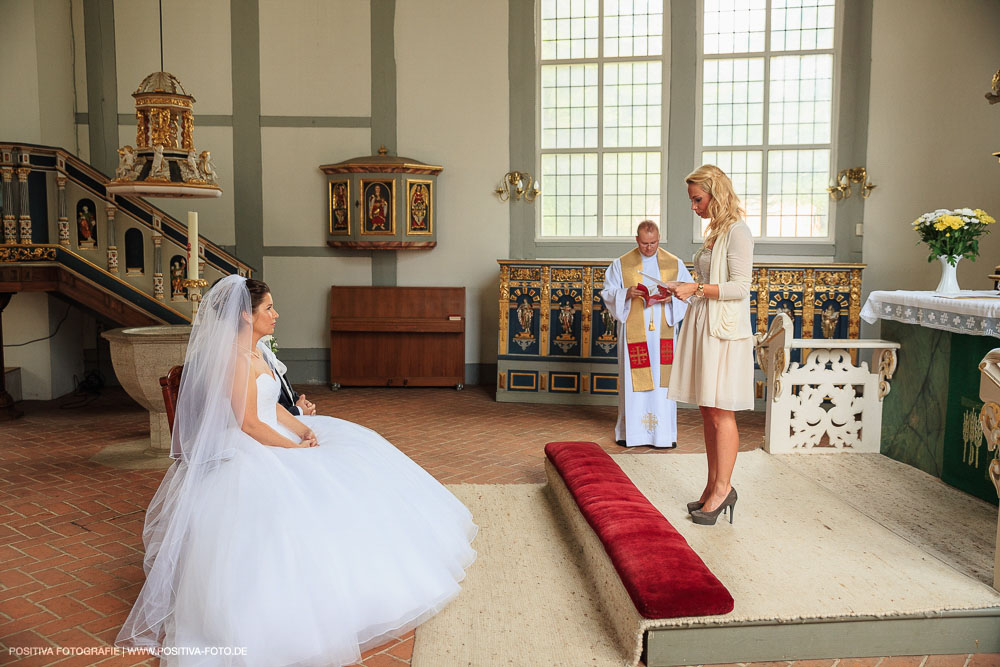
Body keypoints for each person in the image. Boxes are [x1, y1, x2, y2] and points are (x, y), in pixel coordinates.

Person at [116, 276, 477, 666]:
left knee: (359, 463)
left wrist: (304, 428)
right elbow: (249, 424)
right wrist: (294, 449)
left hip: (278, 433)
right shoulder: (233, 360)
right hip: (250, 448)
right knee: (306, 496)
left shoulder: (257, 352)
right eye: (268, 308)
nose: (276, 314)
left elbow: (275, 408)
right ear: (244, 315)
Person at [666, 165, 755, 526]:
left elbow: (740, 288)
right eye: (691, 200)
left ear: (715, 194)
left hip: (725, 332)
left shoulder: (737, 232)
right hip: (704, 324)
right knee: (707, 408)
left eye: (697, 199)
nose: (693, 206)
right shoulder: (714, 233)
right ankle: (711, 485)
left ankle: (724, 488)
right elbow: (707, 280)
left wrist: (696, 289)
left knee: (722, 411)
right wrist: (683, 288)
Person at [600, 220, 691, 448]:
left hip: (663, 332)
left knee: (662, 382)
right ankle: (631, 434)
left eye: (654, 243)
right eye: (644, 243)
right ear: (636, 239)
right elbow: (608, 293)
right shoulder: (621, 264)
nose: (649, 248)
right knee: (633, 381)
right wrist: (626, 293)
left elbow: (688, 294)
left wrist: (673, 297)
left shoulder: (674, 263)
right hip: (635, 332)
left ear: (659, 239)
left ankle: (664, 435)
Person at [257, 337, 316, 416]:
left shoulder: (262, 349)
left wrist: (300, 402)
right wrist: (298, 410)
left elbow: (281, 388)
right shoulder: (245, 359)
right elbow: (258, 411)